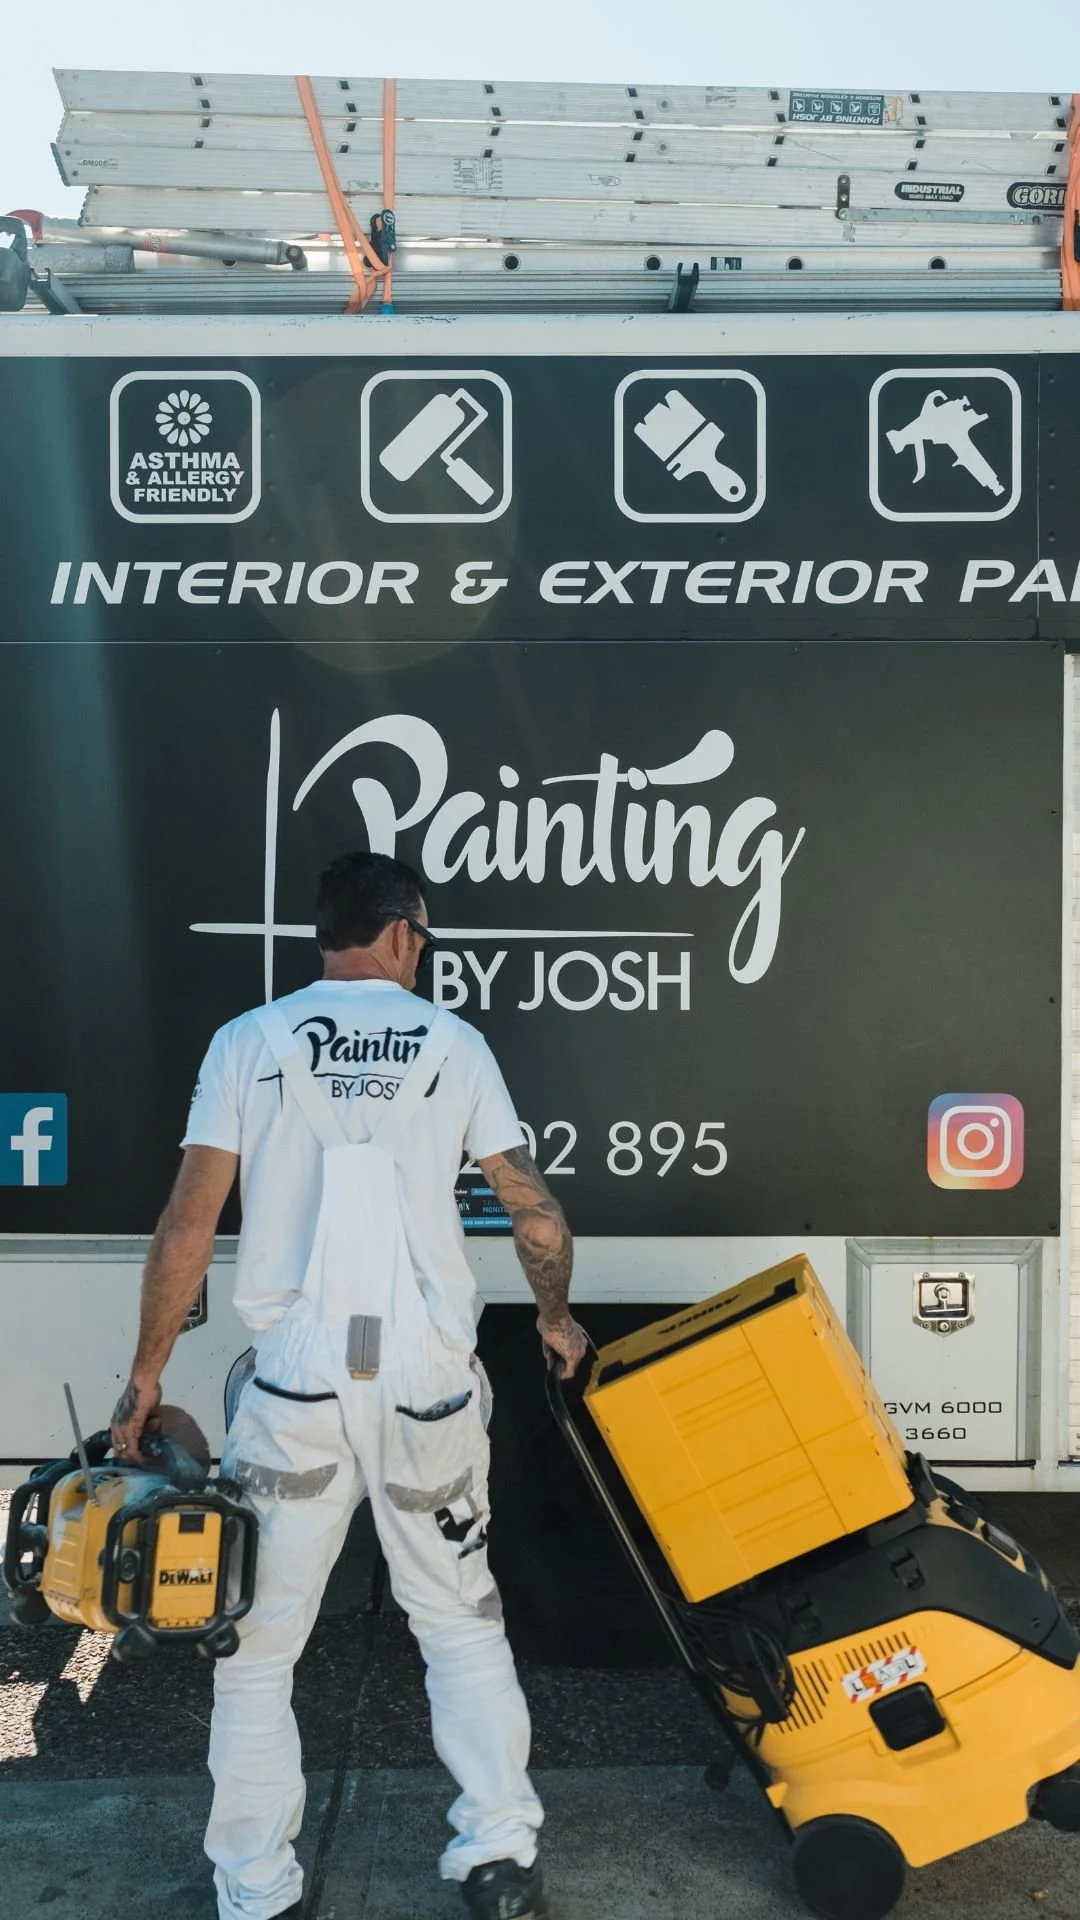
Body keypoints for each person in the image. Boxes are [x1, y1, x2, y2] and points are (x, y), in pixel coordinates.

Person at [110, 850, 587, 1920]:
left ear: (328, 933)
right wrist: (554, 1317)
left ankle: (257, 1886)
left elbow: (189, 1224)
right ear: (405, 933)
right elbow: (534, 1213)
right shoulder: (454, 1045)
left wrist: (146, 1377)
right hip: (427, 1379)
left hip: (294, 1391)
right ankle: (499, 1858)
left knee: (257, 1646)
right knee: (459, 1622)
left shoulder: (248, 1043)